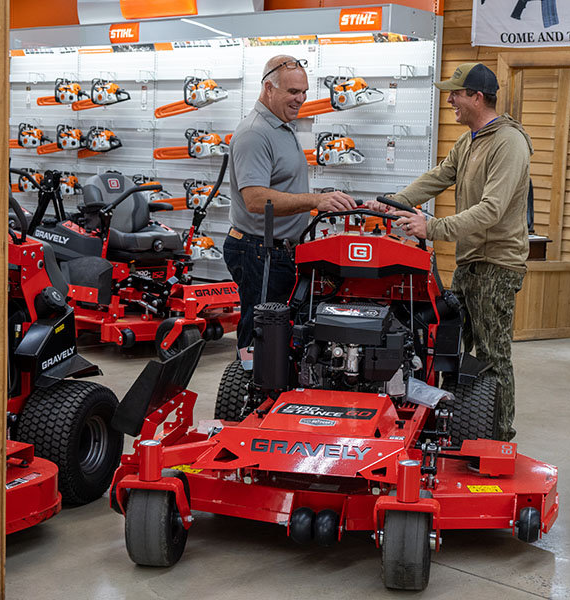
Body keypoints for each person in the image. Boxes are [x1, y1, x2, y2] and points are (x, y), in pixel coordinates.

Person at [368, 62, 533, 442]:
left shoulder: (508, 143)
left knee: (492, 357)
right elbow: (440, 175)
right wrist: (396, 202)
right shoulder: (471, 138)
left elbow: (492, 209)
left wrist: (434, 228)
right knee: (453, 349)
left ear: (477, 96)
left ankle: (497, 438)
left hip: (496, 265)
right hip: (470, 262)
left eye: (456, 94)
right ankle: (459, 424)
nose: (450, 101)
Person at [224, 54, 356, 350]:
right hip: (259, 251)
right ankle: (249, 390)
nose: (301, 99)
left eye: (304, 92)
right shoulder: (255, 133)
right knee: (260, 334)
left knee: (281, 333)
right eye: (293, 92)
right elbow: (255, 199)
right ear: (269, 88)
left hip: (278, 250)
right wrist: (315, 201)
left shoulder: (282, 124)